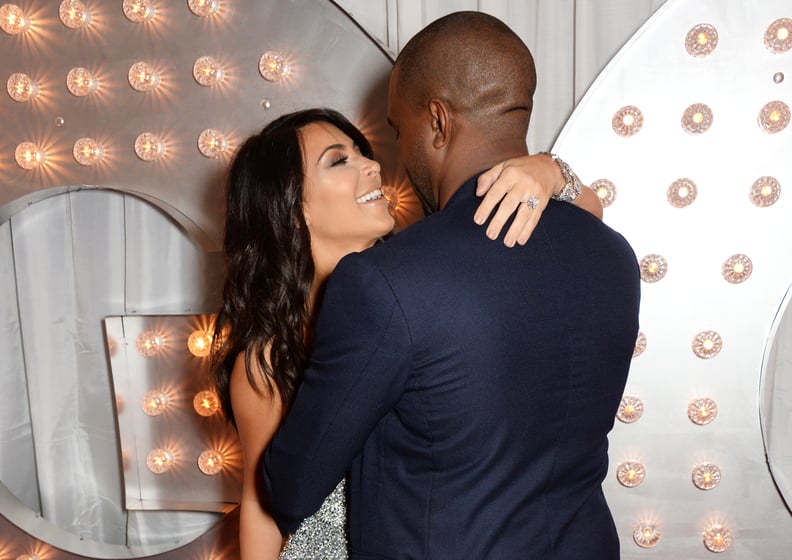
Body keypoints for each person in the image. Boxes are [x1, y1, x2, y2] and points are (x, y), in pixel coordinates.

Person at [262, 11, 640, 560]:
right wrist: (555, 172)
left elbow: (291, 488)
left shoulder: (386, 282)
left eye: (397, 129)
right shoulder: (613, 256)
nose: (394, 154)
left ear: (436, 121)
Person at [211, 107, 602, 559]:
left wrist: (550, 172)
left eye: (363, 153)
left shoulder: (420, 285)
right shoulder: (267, 362)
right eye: (339, 161)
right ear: (292, 208)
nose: (373, 165)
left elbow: (587, 218)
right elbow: (263, 513)